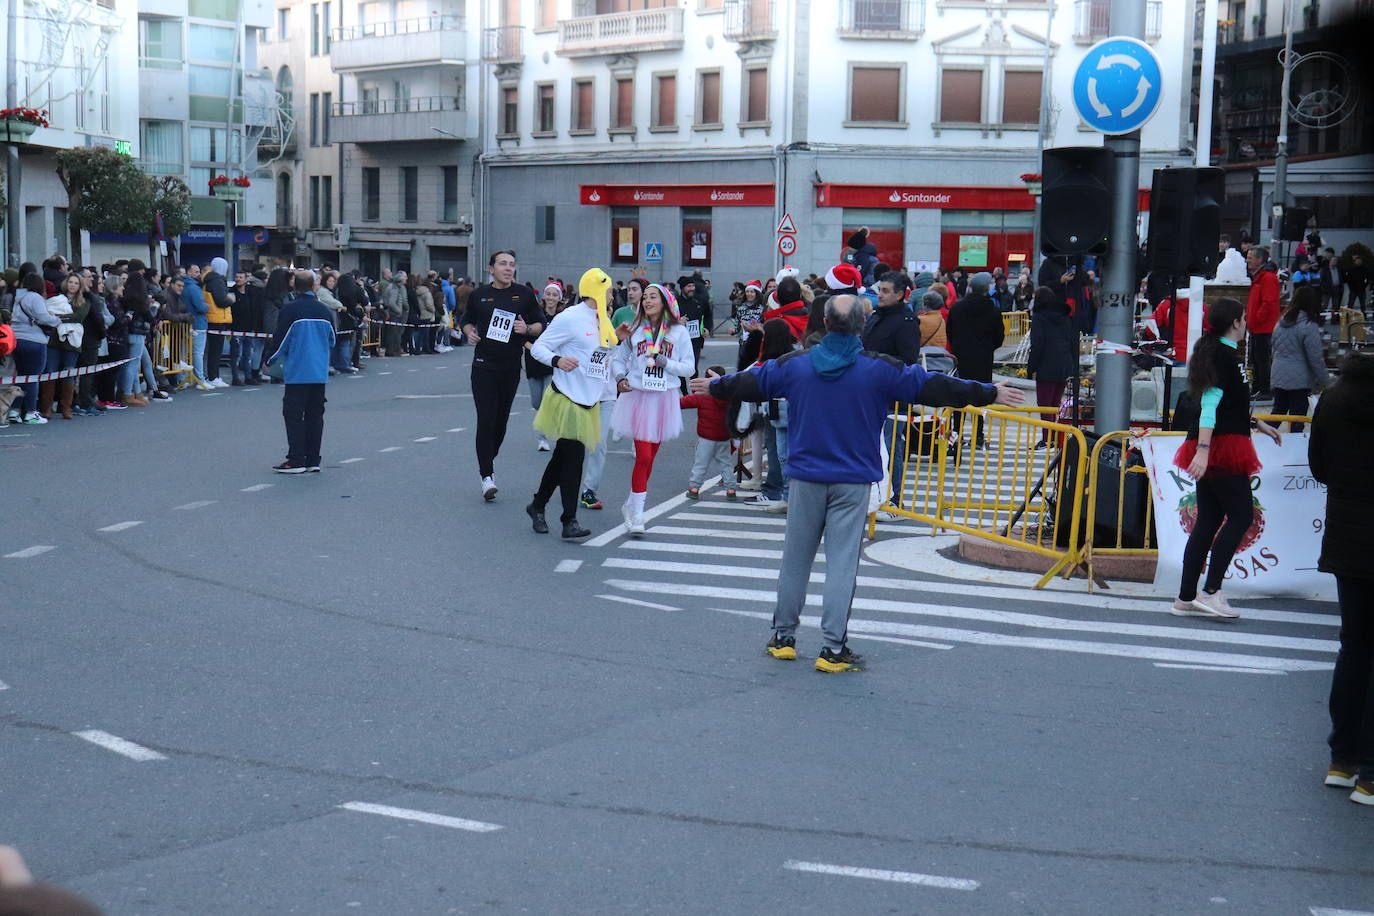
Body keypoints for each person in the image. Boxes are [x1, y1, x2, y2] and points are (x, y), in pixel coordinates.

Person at [691, 295, 1022, 672]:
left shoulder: (796, 365)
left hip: (805, 477)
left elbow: (753, 381)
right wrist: (989, 392)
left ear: (825, 324)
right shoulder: (879, 369)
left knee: (795, 561)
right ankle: (833, 649)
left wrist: (716, 387)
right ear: (861, 326)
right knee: (842, 564)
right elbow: (933, 387)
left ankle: (783, 638)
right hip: (852, 480)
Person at [1171, 297, 1282, 619]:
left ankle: (1186, 597)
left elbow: (1228, 404)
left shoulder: (1219, 353)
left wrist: (1258, 423)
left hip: (1219, 442)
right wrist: (1204, 452)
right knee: (1241, 517)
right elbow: (1209, 405)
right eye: (1244, 318)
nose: (1246, 323)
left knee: (1207, 521)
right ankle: (1211, 591)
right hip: (1220, 447)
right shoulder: (1221, 355)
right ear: (1235, 322)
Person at [1308, 350, 1374, 803]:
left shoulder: (1332, 400)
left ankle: (1343, 758)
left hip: (1348, 537)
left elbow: (1319, 468)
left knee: (1354, 645)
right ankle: (1371, 771)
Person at [526, 267, 617, 539]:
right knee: (573, 459)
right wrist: (558, 361)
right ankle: (569, 520)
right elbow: (540, 347)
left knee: (561, 458)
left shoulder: (603, 319)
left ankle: (537, 505)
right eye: (610, 290)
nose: (613, 294)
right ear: (598, 290)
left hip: (590, 399)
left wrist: (618, 337)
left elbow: (601, 355)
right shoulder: (570, 317)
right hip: (567, 397)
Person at [460, 249, 545, 500]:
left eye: (511, 264)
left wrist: (526, 328)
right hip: (483, 366)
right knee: (485, 419)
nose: (508, 268)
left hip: (510, 368)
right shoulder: (480, 296)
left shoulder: (524, 295)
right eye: (503, 264)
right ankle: (487, 475)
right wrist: (469, 332)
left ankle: (487, 458)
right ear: (491, 269)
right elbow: (466, 320)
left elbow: (541, 324)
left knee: (500, 423)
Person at [611, 282, 693, 536]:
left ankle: (631, 505)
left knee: (651, 458)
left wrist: (665, 361)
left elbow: (688, 368)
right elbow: (618, 358)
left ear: (665, 301)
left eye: (652, 297)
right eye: (644, 297)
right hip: (638, 395)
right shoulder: (634, 329)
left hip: (664, 398)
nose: (647, 301)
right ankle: (638, 513)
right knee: (643, 456)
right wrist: (619, 377)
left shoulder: (678, 333)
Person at [266, 270, 335, 473]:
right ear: (314, 286)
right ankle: (313, 459)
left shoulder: (291, 310)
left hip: (298, 370)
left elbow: (281, 340)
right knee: (315, 414)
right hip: (319, 370)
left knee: (294, 414)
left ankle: (296, 459)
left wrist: (269, 359)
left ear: (294, 285)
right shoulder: (324, 311)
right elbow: (332, 340)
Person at [946, 271, 1005, 448]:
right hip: (983, 359)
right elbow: (999, 337)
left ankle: (956, 434)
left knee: (958, 396)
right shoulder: (993, 310)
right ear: (987, 288)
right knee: (981, 396)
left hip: (960, 357)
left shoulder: (957, 308)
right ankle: (978, 435)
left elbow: (950, 332)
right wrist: (987, 348)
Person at [1269, 285, 1330, 432]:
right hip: (1299, 380)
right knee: (1298, 417)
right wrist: (1326, 383)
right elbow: (1315, 359)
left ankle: (1262, 439)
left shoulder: (1281, 322)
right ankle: (1295, 449)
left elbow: (1273, 348)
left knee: (1277, 412)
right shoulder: (1308, 326)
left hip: (1278, 374)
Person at [1026, 285, 1076, 444]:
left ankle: (1047, 439)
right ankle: (1055, 437)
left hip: (1046, 366)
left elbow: (1037, 344)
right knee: (1055, 405)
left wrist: (1031, 367)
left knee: (1045, 405)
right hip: (1063, 365)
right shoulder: (1065, 316)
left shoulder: (1039, 317)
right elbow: (1072, 341)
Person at [681, 365, 736, 500]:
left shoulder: (702, 396)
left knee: (701, 463)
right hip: (724, 437)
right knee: (726, 463)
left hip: (706, 437)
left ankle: (694, 488)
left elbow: (682, 402)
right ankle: (731, 490)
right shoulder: (728, 397)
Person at [9, 272, 59, 423]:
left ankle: (14, 411)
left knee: (21, 376)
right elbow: (43, 318)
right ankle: (31, 412)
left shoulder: (18, 298)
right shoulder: (36, 298)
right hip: (34, 341)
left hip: (17, 340)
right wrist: (56, 320)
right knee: (33, 377)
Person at [525, 282, 563, 451]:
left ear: (559, 298)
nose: (551, 298)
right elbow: (522, 336)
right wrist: (533, 348)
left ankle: (543, 438)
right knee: (537, 402)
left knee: (548, 401)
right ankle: (545, 430)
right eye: (548, 294)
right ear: (543, 296)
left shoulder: (562, 318)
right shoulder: (535, 315)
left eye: (555, 295)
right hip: (533, 362)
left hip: (552, 364)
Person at [1246, 245, 1280, 398]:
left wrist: (1257, 319)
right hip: (1257, 326)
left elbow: (1269, 303)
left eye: (1250, 258)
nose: (1247, 260)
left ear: (1260, 260)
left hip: (1263, 327)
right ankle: (1258, 388)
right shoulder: (1260, 277)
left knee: (1262, 360)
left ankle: (1264, 390)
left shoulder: (1267, 278)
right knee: (1257, 359)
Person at [202, 256, 234, 387]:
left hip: (211, 317)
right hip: (218, 318)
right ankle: (213, 376)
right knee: (216, 350)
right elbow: (221, 300)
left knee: (210, 350)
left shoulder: (208, 280)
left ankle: (211, 375)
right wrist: (231, 299)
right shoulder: (217, 281)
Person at [233, 269, 267, 385]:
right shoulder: (232, 291)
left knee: (247, 354)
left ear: (246, 279)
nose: (238, 279)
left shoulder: (252, 292)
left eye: (240, 277)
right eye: (237, 277)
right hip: (235, 328)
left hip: (249, 329)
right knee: (235, 355)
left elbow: (255, 310)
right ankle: (235, 378)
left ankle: (248, 377)